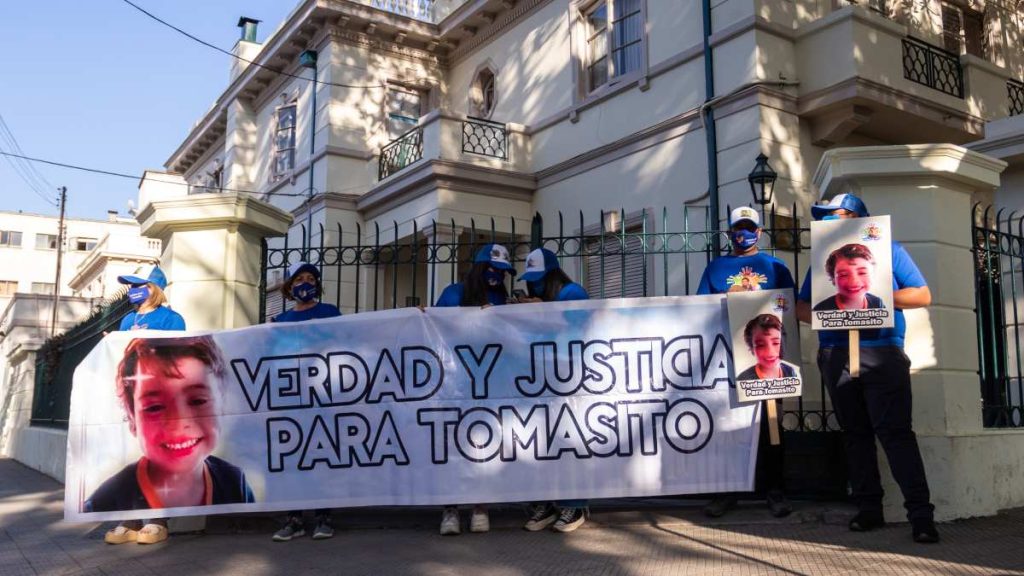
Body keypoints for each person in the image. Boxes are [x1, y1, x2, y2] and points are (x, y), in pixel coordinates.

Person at [796, 193, 940, 544]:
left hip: (882, 353)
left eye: (836, 215)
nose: (829, 222)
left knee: (895, 434)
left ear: (857, 217)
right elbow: (801, 306)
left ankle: (921, 516)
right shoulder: (822, 257)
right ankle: (868, 509)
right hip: (836, 354)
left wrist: (877, 300)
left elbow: (922, 295)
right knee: (855, 434)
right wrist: (831, 315)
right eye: (824, 217)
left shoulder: (890, 249)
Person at [696, 206, 794, 519]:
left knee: (770, 427)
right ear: (729, 233)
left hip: (766, 361)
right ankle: (726, 491)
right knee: (727, 427)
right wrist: (729, 298)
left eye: (749, 228)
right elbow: (699, 309)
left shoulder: (776, 266)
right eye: (738, 228)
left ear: (759, 232)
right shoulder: (715, 268)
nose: (743, 233)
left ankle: (775, 490)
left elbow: (790, 307)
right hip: (726, 358)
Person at [85, 336, 254, 513]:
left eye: (197, 401)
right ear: (132, 419)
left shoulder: (235, 483)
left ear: (223, 406)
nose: (179, 423)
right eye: (154, 407)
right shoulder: (105, 502)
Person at [101, 265, 187, 545]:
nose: (134, 290)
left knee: (157, 455)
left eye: (140, 285)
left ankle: (157, 519)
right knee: (129, 455)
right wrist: (112, 344)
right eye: (132, 286)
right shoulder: (127, 320)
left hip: (160, 396)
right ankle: (130, 518)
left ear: (155, 289)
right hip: (132, 396)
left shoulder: (171, 318)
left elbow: (176, 353)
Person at [435, 243, 515, 535]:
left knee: (484, 444)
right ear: (480, 268)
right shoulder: (453, 293)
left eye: (503, 272)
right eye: (493, 269)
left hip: (490, 382)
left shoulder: (503, 299)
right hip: (454, 379)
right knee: (452, 445)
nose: (498, 276)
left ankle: (480, 505)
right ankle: (450, 509)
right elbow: (433, 330)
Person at [514, 248, 591, 533]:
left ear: (553, 275)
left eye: (539, 280)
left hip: (568, 378)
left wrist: (540, 309)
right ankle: (545, 503)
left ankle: (575, 503)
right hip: (541, 378)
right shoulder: (546, 298)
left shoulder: (572, 292)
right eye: (531, 281)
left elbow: (579, 327)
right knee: (539, 443)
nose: (534, 286)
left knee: (567, 440)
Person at [270, 262, 342, 541]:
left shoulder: (330, 313)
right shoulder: (281, 321)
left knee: (322, 455)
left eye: (311, 278)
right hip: (291, 398)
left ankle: (324, 516)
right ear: (290, 286)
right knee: (293, 456)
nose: (305, 283)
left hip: (323, 394)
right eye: (299, 278)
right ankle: (295, 518)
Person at [813, 243, 885, 312]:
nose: (854, 281)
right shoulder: (821, 309)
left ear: (872, 275)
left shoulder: (878, 303)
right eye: (843, 275)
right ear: (833, 278)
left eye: (862, 273)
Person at [735, 314, 800, 382]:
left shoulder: (791, 372)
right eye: (761, 345)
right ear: (752, 348)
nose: (770, 352)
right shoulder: (744, 380)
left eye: (776, 343)